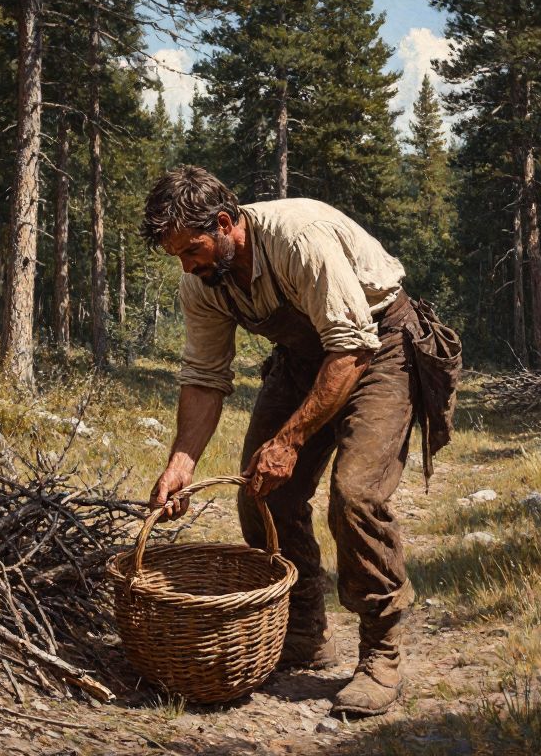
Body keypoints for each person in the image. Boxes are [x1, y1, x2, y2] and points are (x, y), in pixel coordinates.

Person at [142, 166, 423, 717]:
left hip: (377, 346)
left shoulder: (298, 239)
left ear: (226, 223)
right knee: (261, 492)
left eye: (192, 250)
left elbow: (351, 348)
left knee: (356, 495)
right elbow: (204, 376)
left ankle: (381, 651)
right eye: (177, 256)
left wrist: (291, 440)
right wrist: (181, 462)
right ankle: (304, 634)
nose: (187, 266)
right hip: (304, 359)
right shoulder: (201, 280)